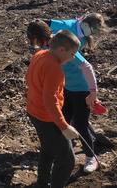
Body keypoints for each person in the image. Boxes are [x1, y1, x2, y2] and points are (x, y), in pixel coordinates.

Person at [27, 21, 102, 174]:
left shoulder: (64, 46)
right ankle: (66, 151)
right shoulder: (46, 50)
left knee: (81, 124)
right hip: (66, 88)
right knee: (65, 121)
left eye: (33, 40)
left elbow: (87, 67)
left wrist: (93, 92)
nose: (33, 45)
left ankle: (90, 157)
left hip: (81, 89)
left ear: (39, 38)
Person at [25, 30, 81, 188]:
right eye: (72, 53)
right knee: (67, 160)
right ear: (62, 50)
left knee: (48, 149)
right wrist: (64, 127)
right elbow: (50, 100)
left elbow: (28, 77)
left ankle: (42, 184)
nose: (73, 57)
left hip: (33, 111)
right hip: (47, 118)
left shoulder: (40, 54)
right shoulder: (54, 68)